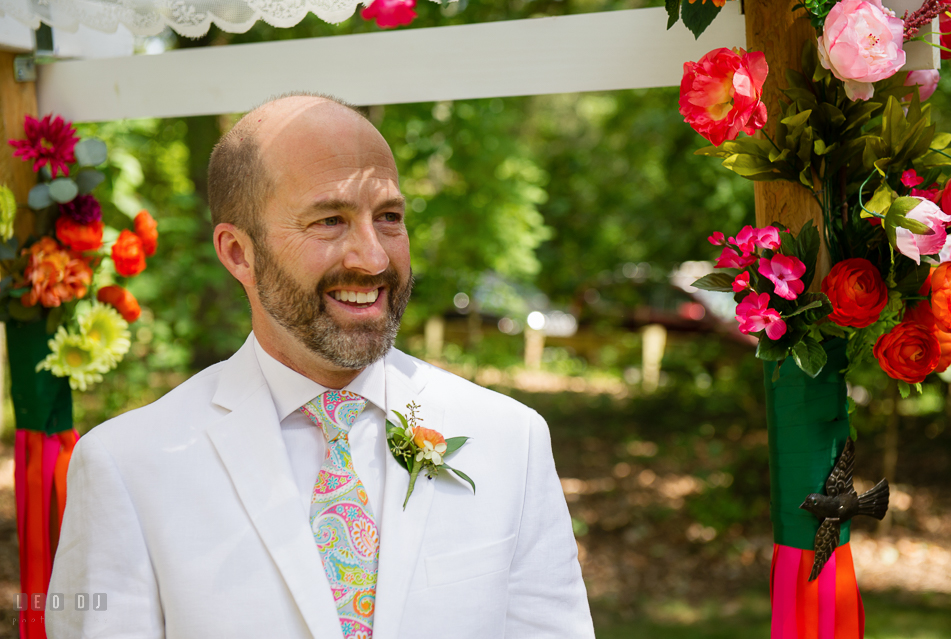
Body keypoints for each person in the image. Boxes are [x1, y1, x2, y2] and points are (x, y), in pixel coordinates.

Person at [46, 94, 594, 639]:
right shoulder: (128, 466)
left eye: (389, 218)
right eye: (330, 220)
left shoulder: (509, 439)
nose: (374, 258)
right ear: (239, 253)